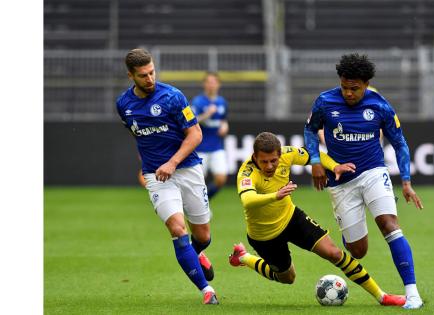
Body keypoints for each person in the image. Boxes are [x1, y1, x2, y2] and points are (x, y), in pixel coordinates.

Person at [228, 131, 406, 306]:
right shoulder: (247, 172)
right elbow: (248, 200)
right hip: (264, 235)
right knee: (287, 278)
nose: (269, 166)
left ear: (280, 154)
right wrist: (276, 195)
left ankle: (382, 297)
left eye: (273, 161)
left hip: (291, 218)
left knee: (335, 253)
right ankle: (244, 257)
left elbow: (315, 155)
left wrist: (334, 166)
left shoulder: (288, 154)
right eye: (264, 161)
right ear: (254, 157)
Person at [304, 53, 424, 309]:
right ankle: (352, 231)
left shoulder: (380, 106)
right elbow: (310, 129)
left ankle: (412, 293)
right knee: (358, 251)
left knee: (389, 224)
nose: (349, 93)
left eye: (355, 89)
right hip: (340, 181)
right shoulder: (325, 101)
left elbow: (400, 143)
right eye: (345, 87)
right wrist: (315, 160)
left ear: (366, 84)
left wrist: (405, 181)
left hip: (373, 172)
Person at [116, 48, 218, 305]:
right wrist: (148, 166)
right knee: (177, 228)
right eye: (143, 75)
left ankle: (198, 254)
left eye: (152, 72)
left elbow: (195, 134)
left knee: (203, 235)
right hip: (157, 176)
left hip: (187, 169)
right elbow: (139, 136)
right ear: (130, 75)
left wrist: (172, 162)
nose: (150, 78)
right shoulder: (124, 105)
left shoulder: (173, 96)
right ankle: (207, 290)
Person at [190, 72, 229, 200]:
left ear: (218, 84)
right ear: (204, 84)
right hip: (200, 147)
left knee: (221, 179)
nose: (211, 85)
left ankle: (205, 202)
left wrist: (225, 126)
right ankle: (198, 206)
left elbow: (223, 119)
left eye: (214, 82)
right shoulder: (198, 101)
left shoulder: (222, 102)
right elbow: (191, 121)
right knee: (197, 183)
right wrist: (207, 114)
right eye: (208, 82)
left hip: (217, 146)